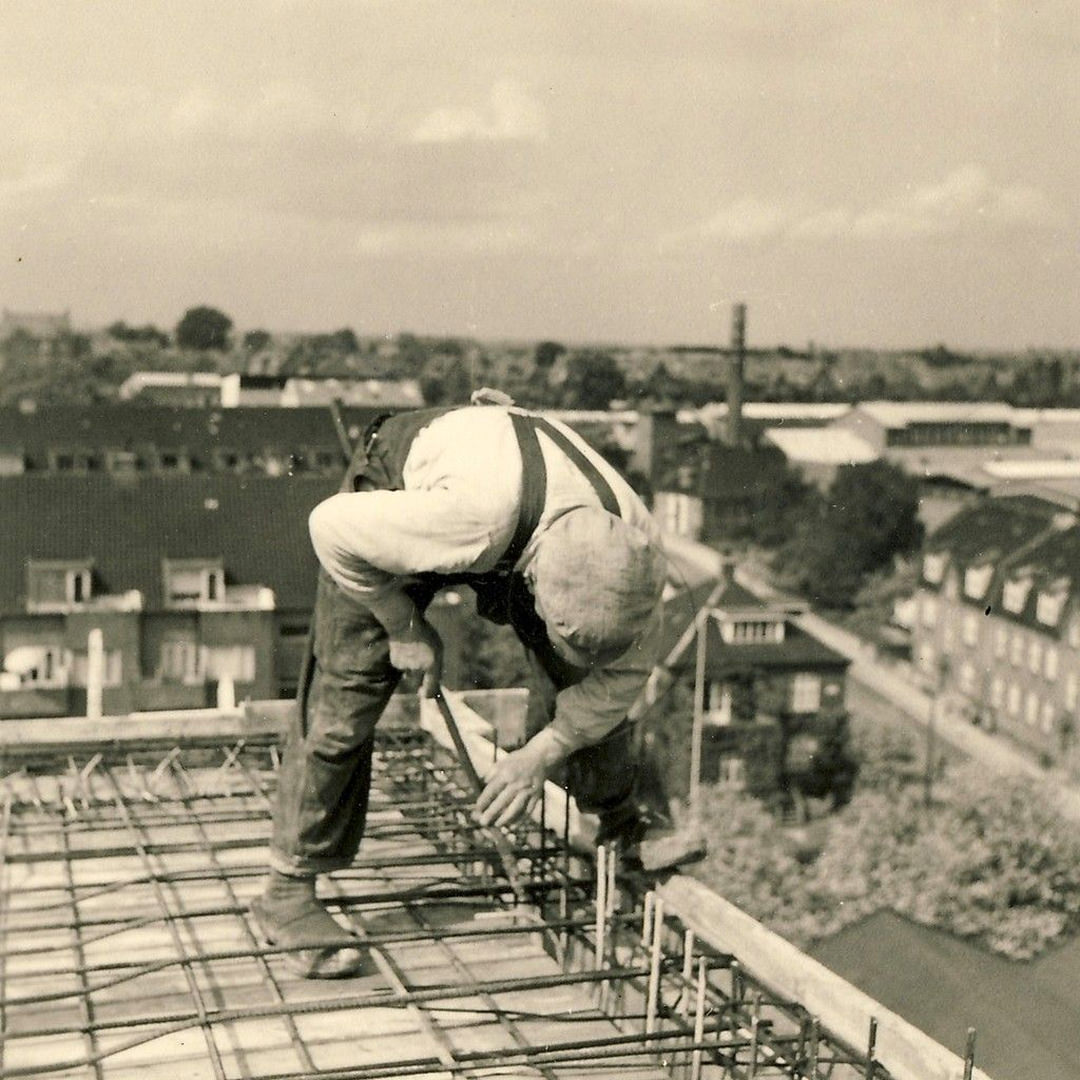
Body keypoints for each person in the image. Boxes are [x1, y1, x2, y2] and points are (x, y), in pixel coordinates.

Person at [253, 391, 702, 977]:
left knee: (589, 688)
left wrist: (542, 753)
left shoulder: (634, 554)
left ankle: (618, 829)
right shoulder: (468, 523)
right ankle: (287, 891)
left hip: (517, 503)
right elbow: (330, 528)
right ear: (533, 585)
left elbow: (619, 681)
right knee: (347, 695)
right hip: (411, 486)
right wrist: (402, 623)